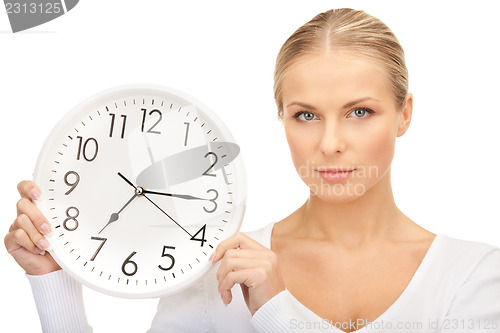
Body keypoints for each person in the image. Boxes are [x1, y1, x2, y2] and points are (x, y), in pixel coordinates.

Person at [5, 8, 500, 333]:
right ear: (282, 118)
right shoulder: (218, 272)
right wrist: (55, 281)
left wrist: (275, 309)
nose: (329, 144)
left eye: (359, 112)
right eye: (306, 115)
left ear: (405, 114)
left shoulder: (473, 277)